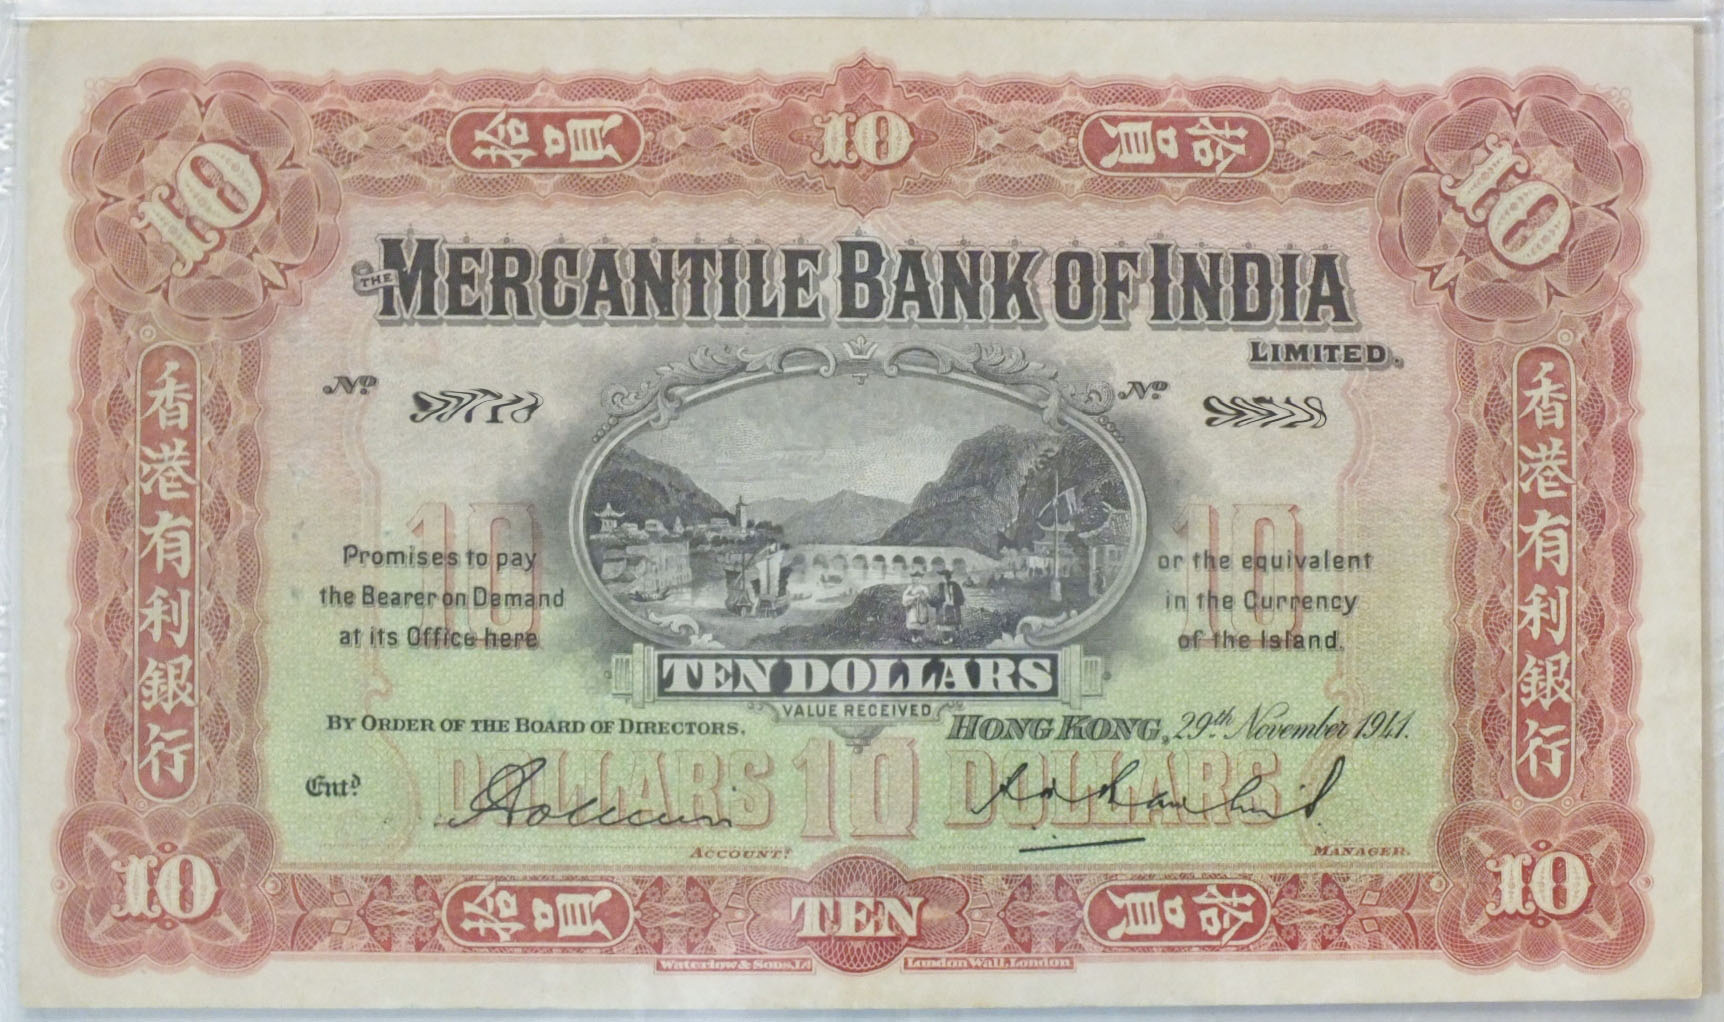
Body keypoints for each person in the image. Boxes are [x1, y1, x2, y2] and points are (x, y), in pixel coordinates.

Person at [929, 568, 965, 645]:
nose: (945, 578)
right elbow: (933, 600)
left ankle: (952, 638)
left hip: (953, 609)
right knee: (943, 625)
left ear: (949, 577)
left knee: (953, 624)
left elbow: (961, 598)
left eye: (946, 576)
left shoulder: (955, 585)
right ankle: (944, 639)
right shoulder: (939, 586)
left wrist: (953, 602)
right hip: (942, 609)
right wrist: (934, 601)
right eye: (943, 576)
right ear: (941, 577)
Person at [902, 571, 933, 645]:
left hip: (922, 608)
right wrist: (913, 597)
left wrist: (924, 597)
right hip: (913, 608)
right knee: (913, 621)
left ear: (921, 580)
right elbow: (904, 597)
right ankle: (914, 636)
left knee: (921, 622)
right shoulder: (910, 588)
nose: (916, 581)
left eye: (918, 579)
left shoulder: (924, 588)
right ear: (912, 580)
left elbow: (928, 597)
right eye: (914, 579)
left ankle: (920, 636)